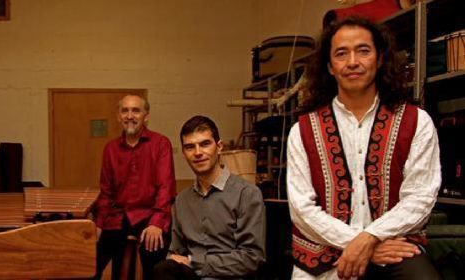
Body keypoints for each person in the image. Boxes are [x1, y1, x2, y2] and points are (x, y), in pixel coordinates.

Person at [286, 16, 441, 279]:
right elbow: (301, 208)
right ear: (330, 67)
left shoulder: (417, 121)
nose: (353, 62)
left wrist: (370, 238)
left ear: (380, 59)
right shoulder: (302, 130)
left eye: (363, 51)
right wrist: (357, 243)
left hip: (393, 247)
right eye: (341, 54)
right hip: (324, 251)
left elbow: (421, 196)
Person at [152, 115, 266, 280]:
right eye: (190, 147)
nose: (198, 153)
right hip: (190, 276)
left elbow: (252, 258)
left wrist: (193, 261)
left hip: (229, 277)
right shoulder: (182, 200)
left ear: (219, 147)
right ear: (184, 153)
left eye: (205, 144)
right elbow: (175, 254)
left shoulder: (247, 193)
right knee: (161, 270)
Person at [93, 94, 176, 279]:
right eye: (125, 110)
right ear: (118, 116)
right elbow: (106, 193)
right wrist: (98, 225)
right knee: (89, 260)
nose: (130, 116)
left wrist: (157, 223)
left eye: (136, 110)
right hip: (118, 216)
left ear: (146, 116)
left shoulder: (161, 144)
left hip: (150, 214)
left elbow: (165, 188)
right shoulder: (110, 149)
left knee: (154, 259)